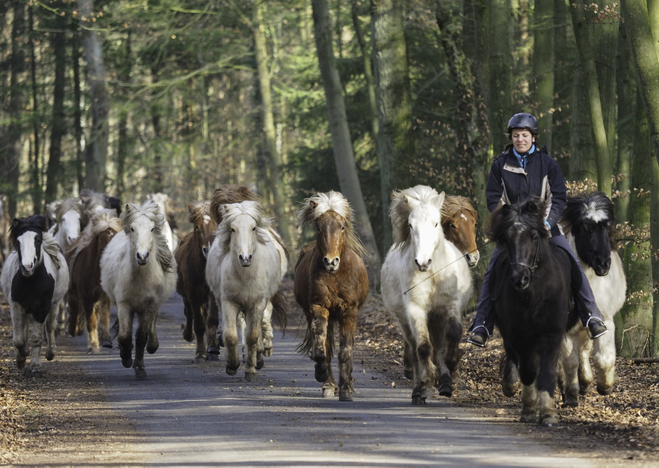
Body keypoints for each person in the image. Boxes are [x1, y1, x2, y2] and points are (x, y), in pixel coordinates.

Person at [467, 113, 608, 347]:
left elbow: (558, 197)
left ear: (533, 137)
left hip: (545, 228)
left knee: (573, 264)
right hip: (513, 231)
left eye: (524, 135)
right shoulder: (500, 165)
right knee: (492, 270)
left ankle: (592, 315)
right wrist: (509, 221)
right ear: (510, 138)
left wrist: (547, 222)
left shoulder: (548, 164)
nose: (520, 139)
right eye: (515, 136)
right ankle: (482, 323)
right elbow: (494, 199)